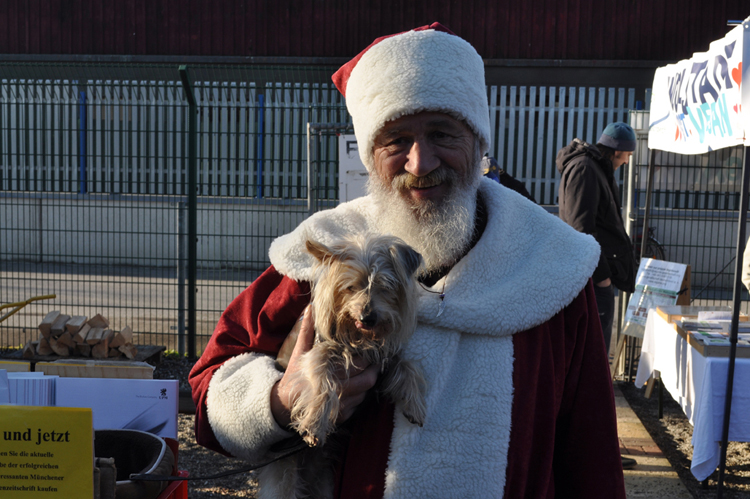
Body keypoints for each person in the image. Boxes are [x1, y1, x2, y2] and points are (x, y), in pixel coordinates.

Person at [190, 22, 626, 498]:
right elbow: (210, 388)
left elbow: (591, 457)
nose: (420, 163)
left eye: (443, 133)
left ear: (480, 145)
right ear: (370, 155)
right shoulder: (322, 254)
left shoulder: (552, 269)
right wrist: (279, 400)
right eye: (395, 140)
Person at [556, 123, 638, 470]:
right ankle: (591, 451)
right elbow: (580, 227)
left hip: (592, 280)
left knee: (593, 367)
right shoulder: (587, 170)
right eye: (628, 155)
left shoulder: (594, 168)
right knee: (591, 368)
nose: (627, 162)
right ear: (619, 151)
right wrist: (603, 277)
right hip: (590, 282)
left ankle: (595, 447)